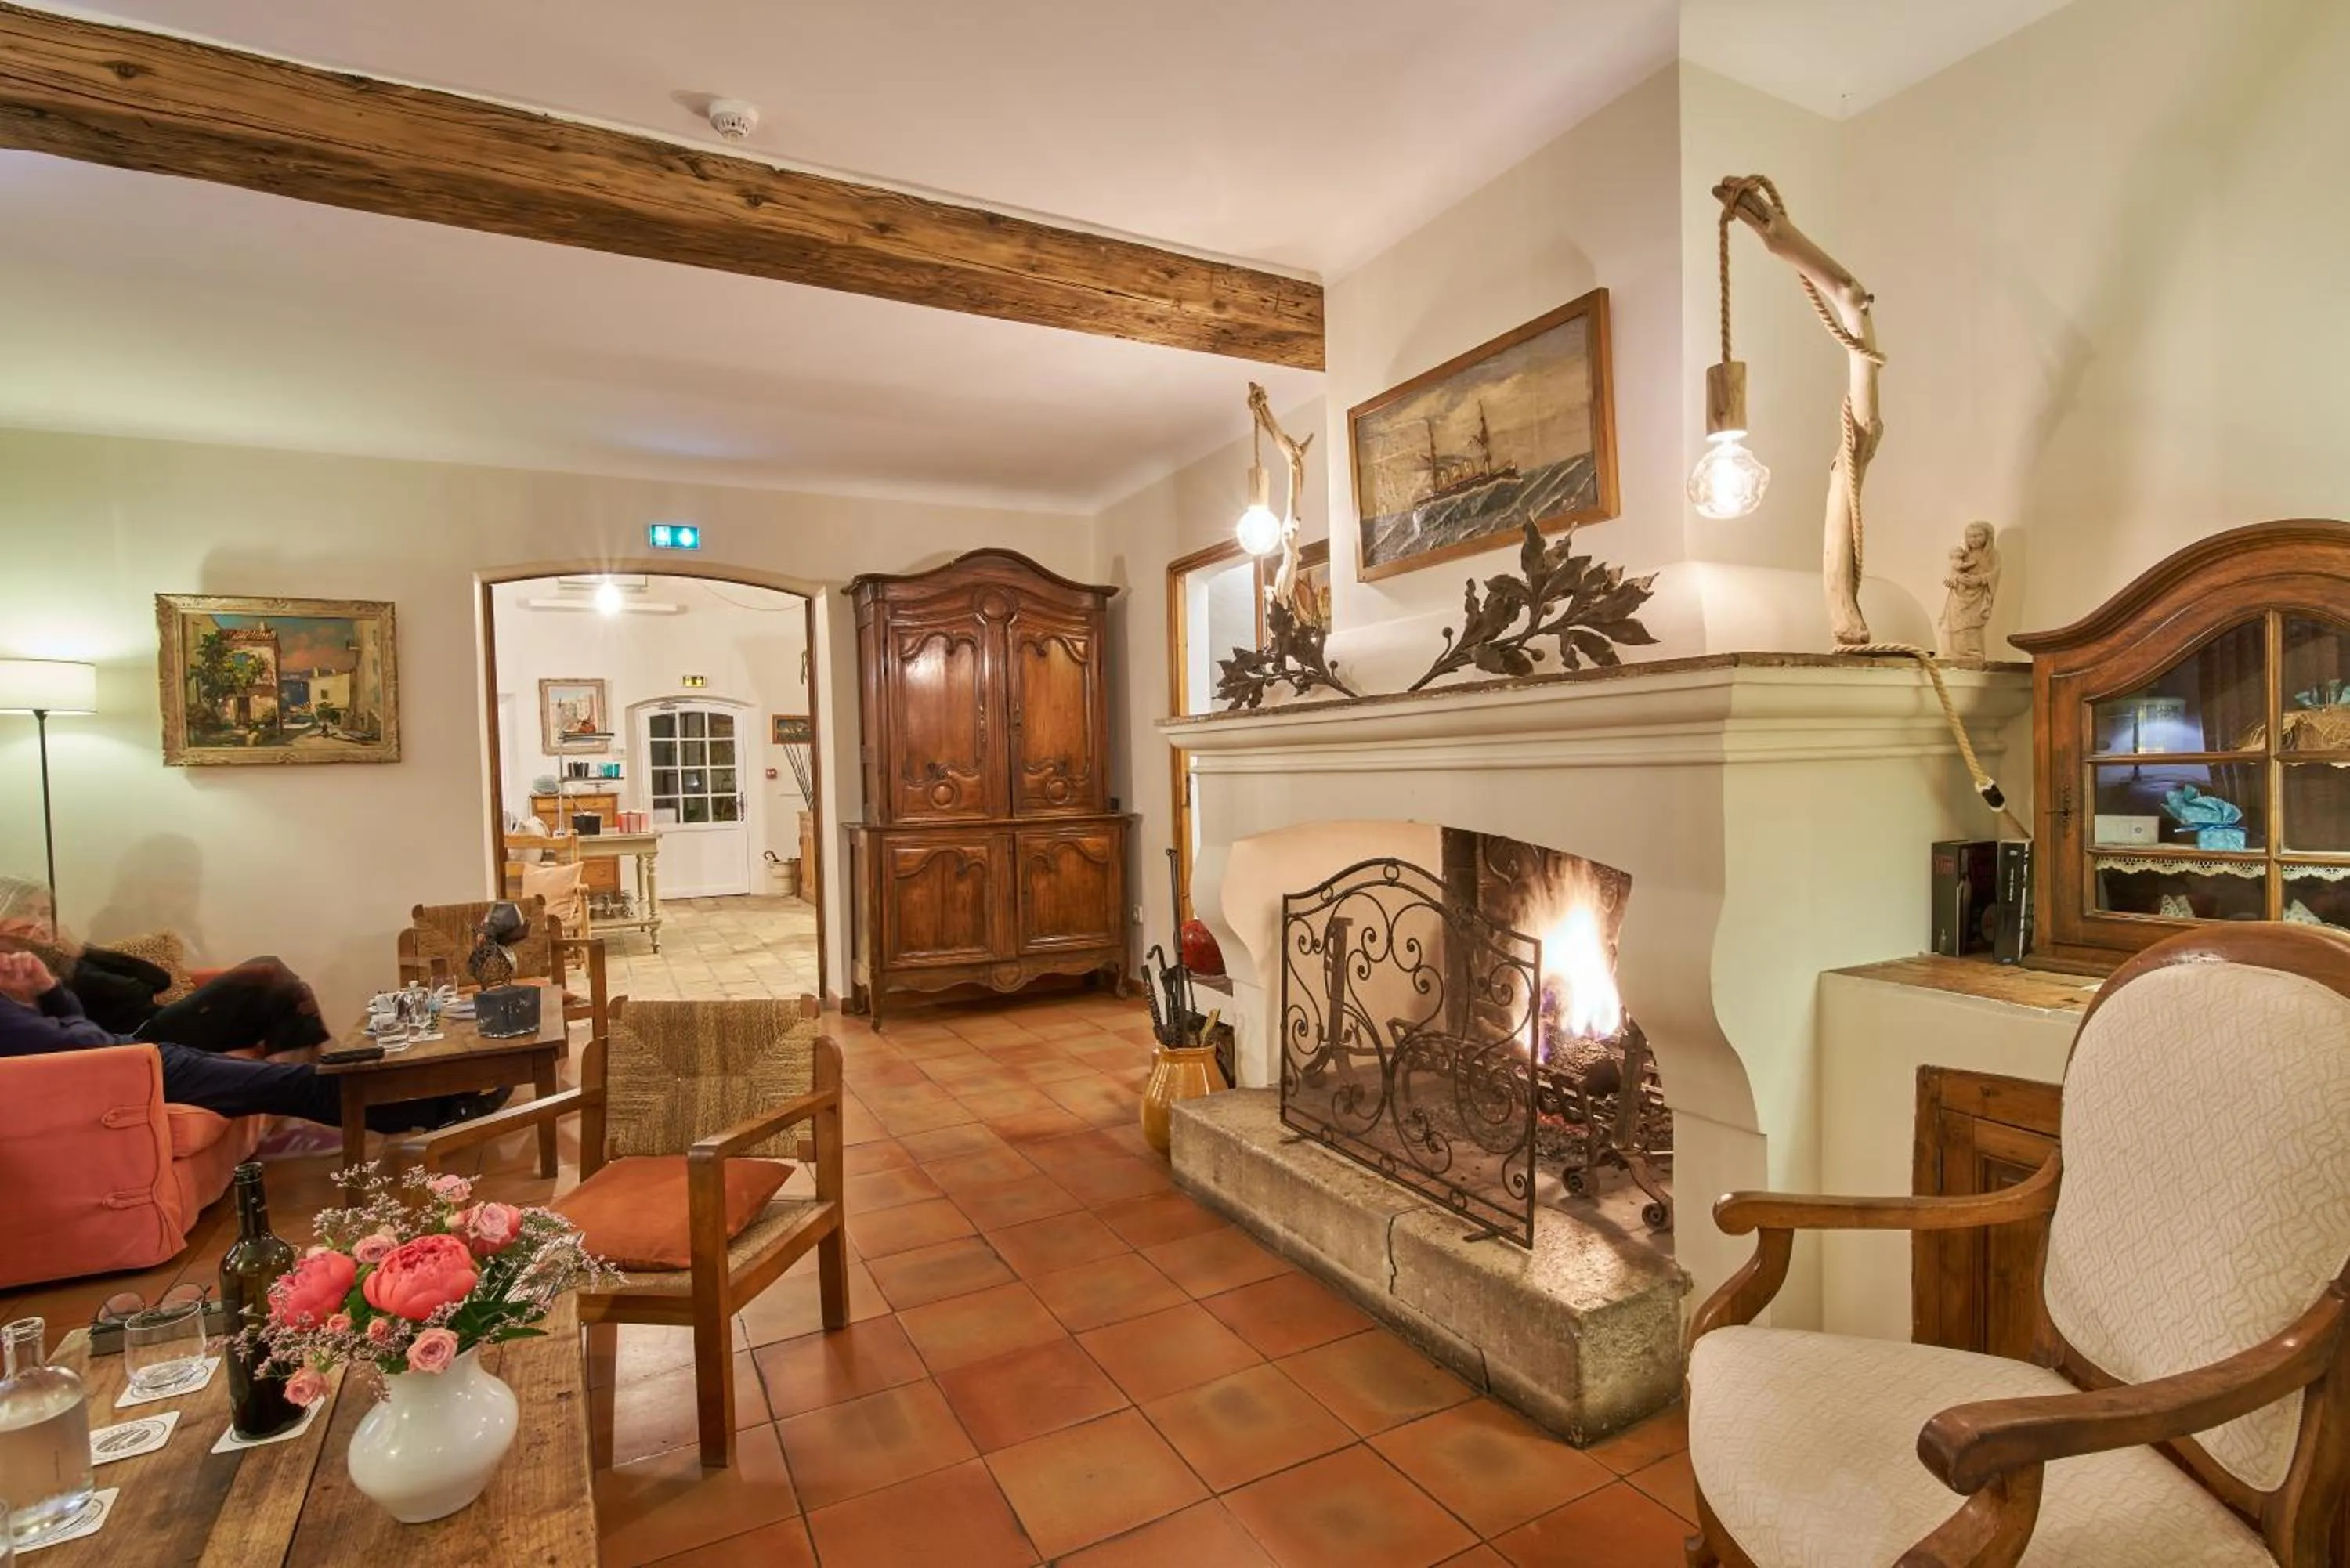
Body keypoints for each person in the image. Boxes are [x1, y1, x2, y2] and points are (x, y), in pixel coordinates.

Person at [0, 949, 502, 1133]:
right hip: (129, 1068)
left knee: (290, 1061)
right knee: (298, 1084)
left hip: (135, 1061)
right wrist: (55, 984)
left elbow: (78, 1033)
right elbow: (88, 1048)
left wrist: (49, 986)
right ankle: (442, 1112)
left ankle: (439, 1102)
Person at [0, 876, 335, 1046]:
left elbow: (156, 979)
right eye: (25, 912)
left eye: (45, 912)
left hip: (159, 1023)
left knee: (283, 989)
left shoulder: (62, 954)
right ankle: (321, 1091)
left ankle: (308, 1099)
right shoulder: (22, 969)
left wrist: (83, 951)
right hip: (139, 1040)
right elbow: (130, 991)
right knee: (265, 974)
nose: (39, 922)